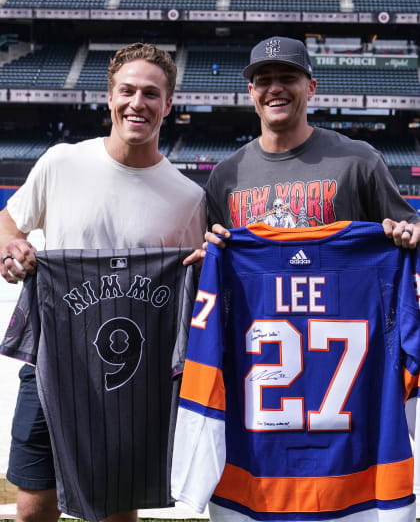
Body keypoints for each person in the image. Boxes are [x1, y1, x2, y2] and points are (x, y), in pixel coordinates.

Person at [0, 42, 206, 522]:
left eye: (151, 94)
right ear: (109, 97)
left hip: (134, 379)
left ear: (168, 104)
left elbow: (201, 283)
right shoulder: (61, 163)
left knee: (116, 512)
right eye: (128, 90)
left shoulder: (189, 198)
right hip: (53, 361)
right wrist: (11, 247)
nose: (138, 103)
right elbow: (9, 222)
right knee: (32, 510)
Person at [204, 35, 420, 248]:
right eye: (263, 81)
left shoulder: (360, 162)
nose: (275, 88)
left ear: (311, 88)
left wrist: (409, 232)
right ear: (251, 92)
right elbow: (208, 256)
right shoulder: (225, 176)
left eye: (288, 78)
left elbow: (411, 228)